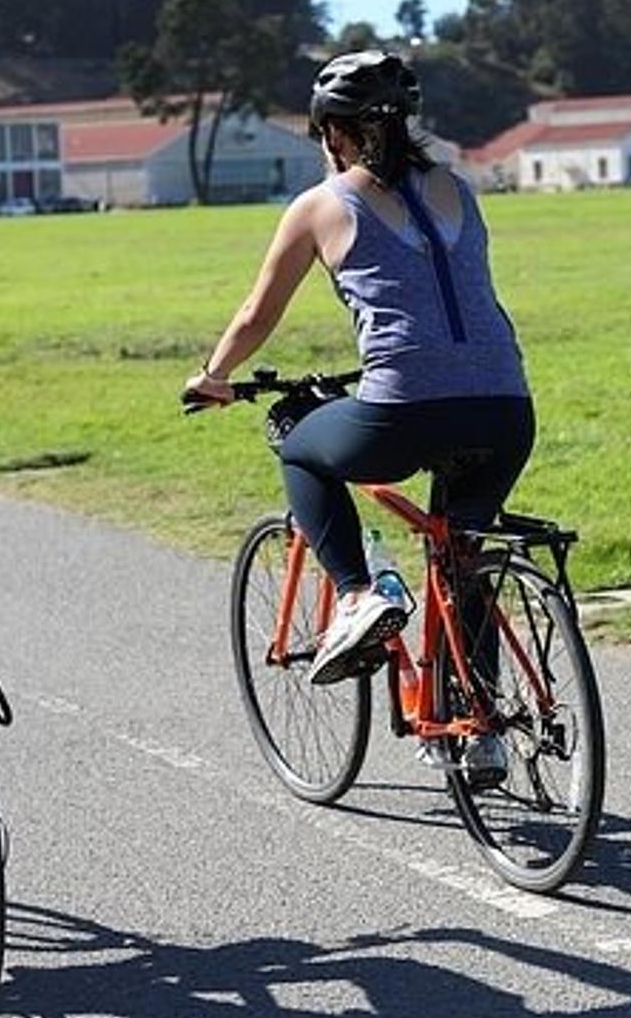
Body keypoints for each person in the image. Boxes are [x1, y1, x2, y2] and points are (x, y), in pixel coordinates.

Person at [183, 51, 532, 779]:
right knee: (460, 553)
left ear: (332, 133)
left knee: (303, 452)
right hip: (506, 409)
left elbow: (256, 314)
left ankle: (356, 594)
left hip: (404, 409)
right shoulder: (457, 188)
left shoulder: (321, 204)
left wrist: (214, 376)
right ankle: (483, 727)